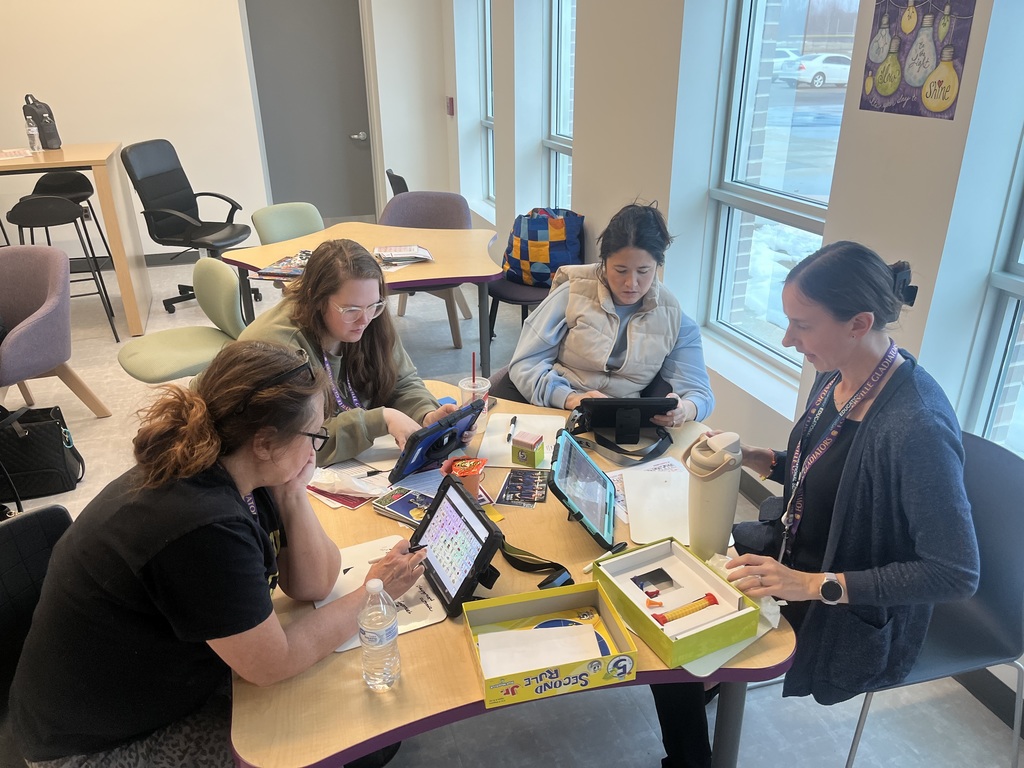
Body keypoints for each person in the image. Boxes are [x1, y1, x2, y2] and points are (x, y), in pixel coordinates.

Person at [9, 341, 426, 767]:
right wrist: (376, 591)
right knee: (358, 742)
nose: (316, 450)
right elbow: (270, 665)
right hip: (93, 748)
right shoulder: (200, 525)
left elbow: (311, 584)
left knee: (364, 727)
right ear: (264, 442)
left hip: (151, 688)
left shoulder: (233, 464)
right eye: (314, 435)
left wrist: (292, 493)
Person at [651, 241, 980, 768]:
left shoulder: (916, 425)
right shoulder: (836, 375)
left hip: (842, 603)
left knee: (681, 638)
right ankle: (702, 697)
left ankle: (693, 744)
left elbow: (955, 573)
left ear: (858, 323)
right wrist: (763, 459)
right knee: (667, 569)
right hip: (791, 553)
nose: (788, 339)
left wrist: (810, 585)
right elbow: (832, 476)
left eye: (802, 325)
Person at [239, 238, 464, 466]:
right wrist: (379, 419)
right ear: (315, 299)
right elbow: (295, 444)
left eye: (374, 305)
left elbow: (402, 382)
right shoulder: (279, 346)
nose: (364, 320)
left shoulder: (370, 317)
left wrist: (426, 414)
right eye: (351, 309)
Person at [506, 203, 714, 427]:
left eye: (644, 271)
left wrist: (686, 409)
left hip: (623, 425)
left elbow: (701, 393)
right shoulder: (573, 292)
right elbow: (524, 364)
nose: (631, 283)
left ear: (657, 265)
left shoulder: (672, 315)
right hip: (560, 410)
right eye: (620, 270)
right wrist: (571, 399)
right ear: (604, 263)